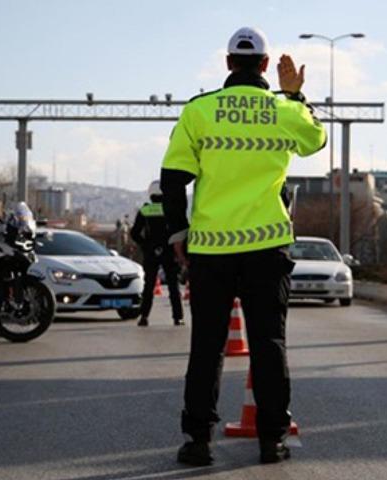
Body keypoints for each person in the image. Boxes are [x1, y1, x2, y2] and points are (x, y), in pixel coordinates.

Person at [160, 27, 326, 465]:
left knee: (207, 347)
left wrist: (179, 235)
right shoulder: (283, 109)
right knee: (269, 343)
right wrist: (295, 96)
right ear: (267, 65)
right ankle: (272, 441)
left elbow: (173, 179)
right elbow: (316, 141)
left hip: (211, 251)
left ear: (229, 63)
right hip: (267, 249)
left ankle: (198, 441)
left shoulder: (200, 111)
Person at [130, 180, 184, 326]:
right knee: (173, 286)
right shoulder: (171, 209)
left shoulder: (145, 210)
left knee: (149, 286)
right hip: (168, 251)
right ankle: (178, 317)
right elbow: (179, 232)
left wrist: (146, 245)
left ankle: (144, 317)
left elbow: (134, 233)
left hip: (151, 253)